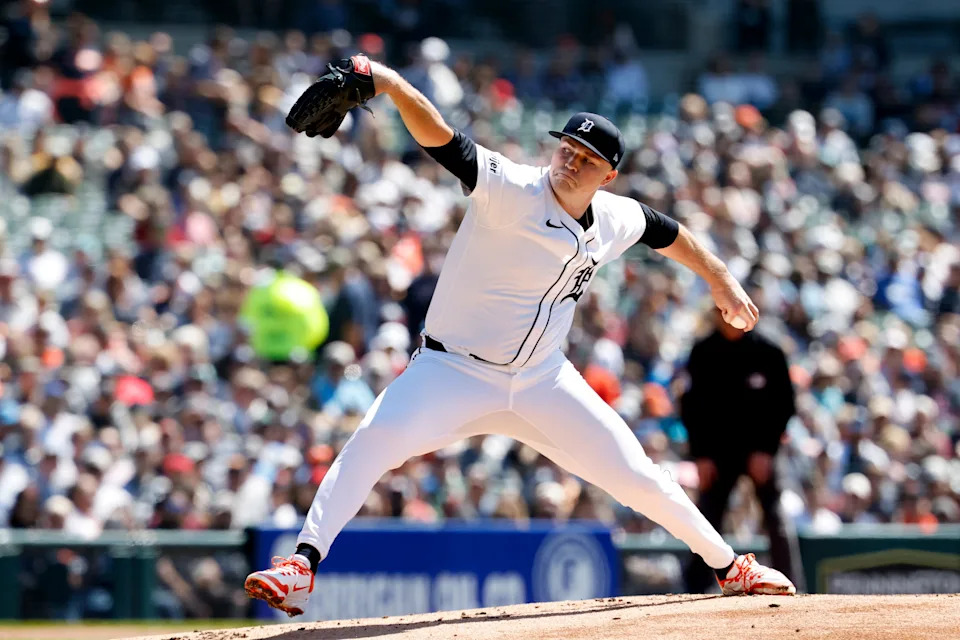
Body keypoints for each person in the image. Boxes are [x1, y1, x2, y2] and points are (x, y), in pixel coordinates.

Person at [245, 55, 796, 617]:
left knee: (636, 475)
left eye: (587, 160)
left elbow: (667, 231)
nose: (570, 162)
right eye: (566, 149)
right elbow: (442, 138)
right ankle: (301, 567)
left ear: (608, 175)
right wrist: (384, 82)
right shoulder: (511, 188)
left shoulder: (613, 216)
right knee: (373, 441)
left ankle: (731, 567)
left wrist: (722, 280)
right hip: (451, 370)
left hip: (541, 378)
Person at [681, 309, 798, 593]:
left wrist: (766, 450)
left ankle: (791, 582)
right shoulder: (704, 351)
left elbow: (785, 404)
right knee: (707, 518)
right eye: (722, 312)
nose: (728, 319)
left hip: (760, 450)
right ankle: (694, 590)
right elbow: (692, 406)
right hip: (718, 453)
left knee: (775, 517)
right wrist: (701, 455)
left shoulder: (768, 351)